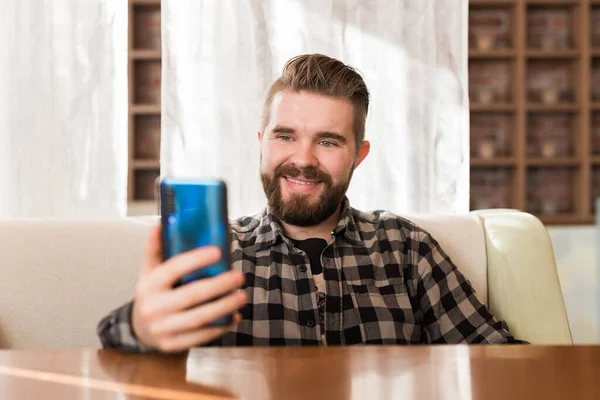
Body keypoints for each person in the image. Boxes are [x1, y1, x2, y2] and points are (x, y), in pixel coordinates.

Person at [98, 53, 523, 353]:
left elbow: (501, 360)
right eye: (285, 136)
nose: (303, 160)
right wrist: (141, 330)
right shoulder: (217, 251)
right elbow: (119, 341)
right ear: (262, 144)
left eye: (328, 141)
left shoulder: (406, 247)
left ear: (359, 154)